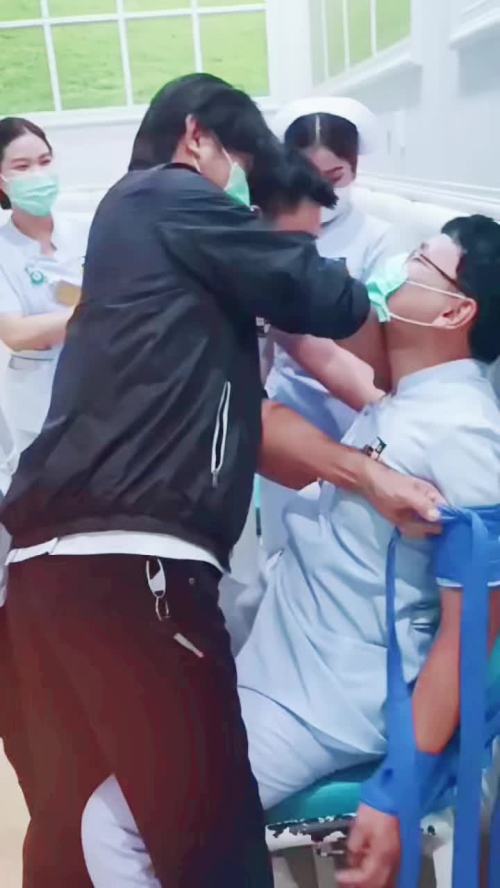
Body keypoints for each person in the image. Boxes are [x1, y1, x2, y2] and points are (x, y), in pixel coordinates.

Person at [0, 72, 424, 888]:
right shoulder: (163, 195)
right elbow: (323, 302)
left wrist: (377, 432)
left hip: (52, 573)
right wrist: (343, 286)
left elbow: (305, 373)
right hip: (133, 568)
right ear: (197, 138)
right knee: (208, 840)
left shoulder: (164, 275)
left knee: (77, 827)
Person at [81, 216, 500, 887]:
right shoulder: (410, 398)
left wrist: (399, 786)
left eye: (420, 259)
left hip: (325, 700)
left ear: (455, 310)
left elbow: (468, 638)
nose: (396, 266)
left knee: (114, 825)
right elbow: (298, 390)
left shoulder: (465, 435)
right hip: (289, 657)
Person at [261, 97, 398, 557]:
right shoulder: (273, 229)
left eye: (334, 176)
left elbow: (379, 333)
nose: (323, 191)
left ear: (354, 167)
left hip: (358, 403)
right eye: (310, 177)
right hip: (290, 401)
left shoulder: (377, 237)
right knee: (285, 531)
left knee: (351, 533)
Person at [0, 117, 90, 456]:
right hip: (38, 400)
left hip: (99, 384)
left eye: (45, 161)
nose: (38, 174)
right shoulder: (3, 250)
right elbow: (16, 332)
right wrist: (95, 311)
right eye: (22, 167)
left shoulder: (86, 229)